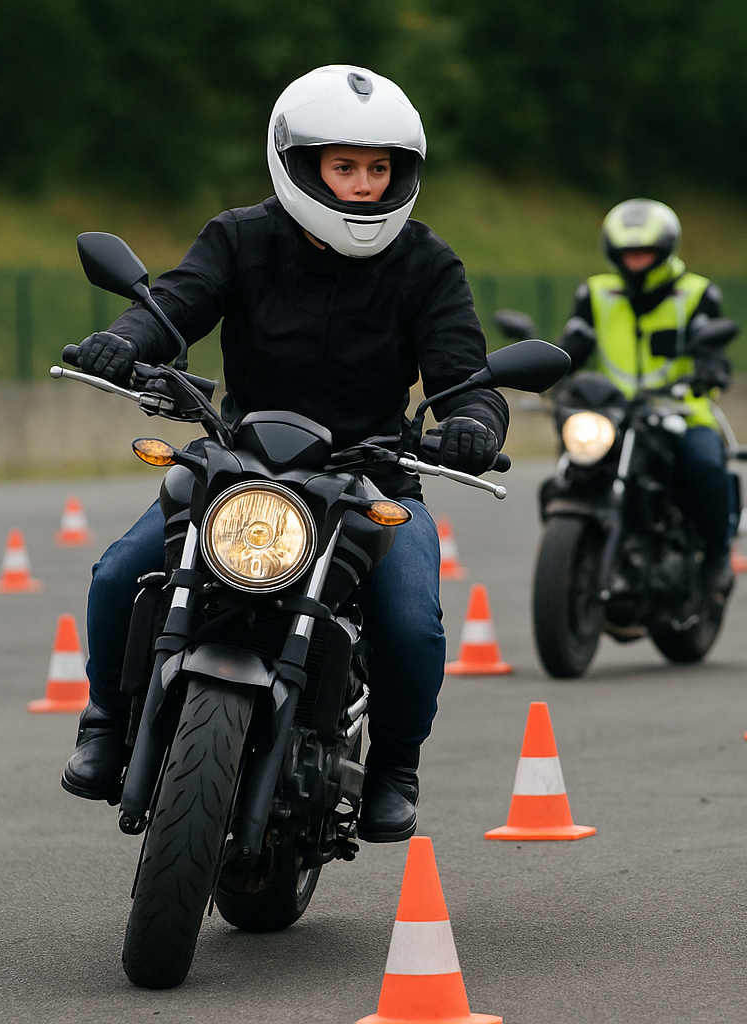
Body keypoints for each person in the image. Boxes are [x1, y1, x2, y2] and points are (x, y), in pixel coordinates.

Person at [59, 65, 509, 845]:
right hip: (239, 460)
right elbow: (176, 306)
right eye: (345, 167)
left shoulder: (428, 265)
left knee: (411, 623)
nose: (365, 186)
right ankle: (104, 724)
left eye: (380, 169)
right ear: (300, 163)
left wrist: (474, 421)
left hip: (373, 477)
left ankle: (395, 768)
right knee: (117, 572)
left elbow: (466, 376)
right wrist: (123, 343)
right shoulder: (241, 237)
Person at [555, 198, 737, 590]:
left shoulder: (696, 292)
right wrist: (545, 367)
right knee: (575, 463)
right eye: (627, 253)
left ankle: (718, 555)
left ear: (665, 249)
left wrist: (710, 371)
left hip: (682, 411)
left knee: (704, 464)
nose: (635, 260)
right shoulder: (596, 293)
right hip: (614, 414)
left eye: (644, 252)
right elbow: (574, 345)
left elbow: (711, 346)